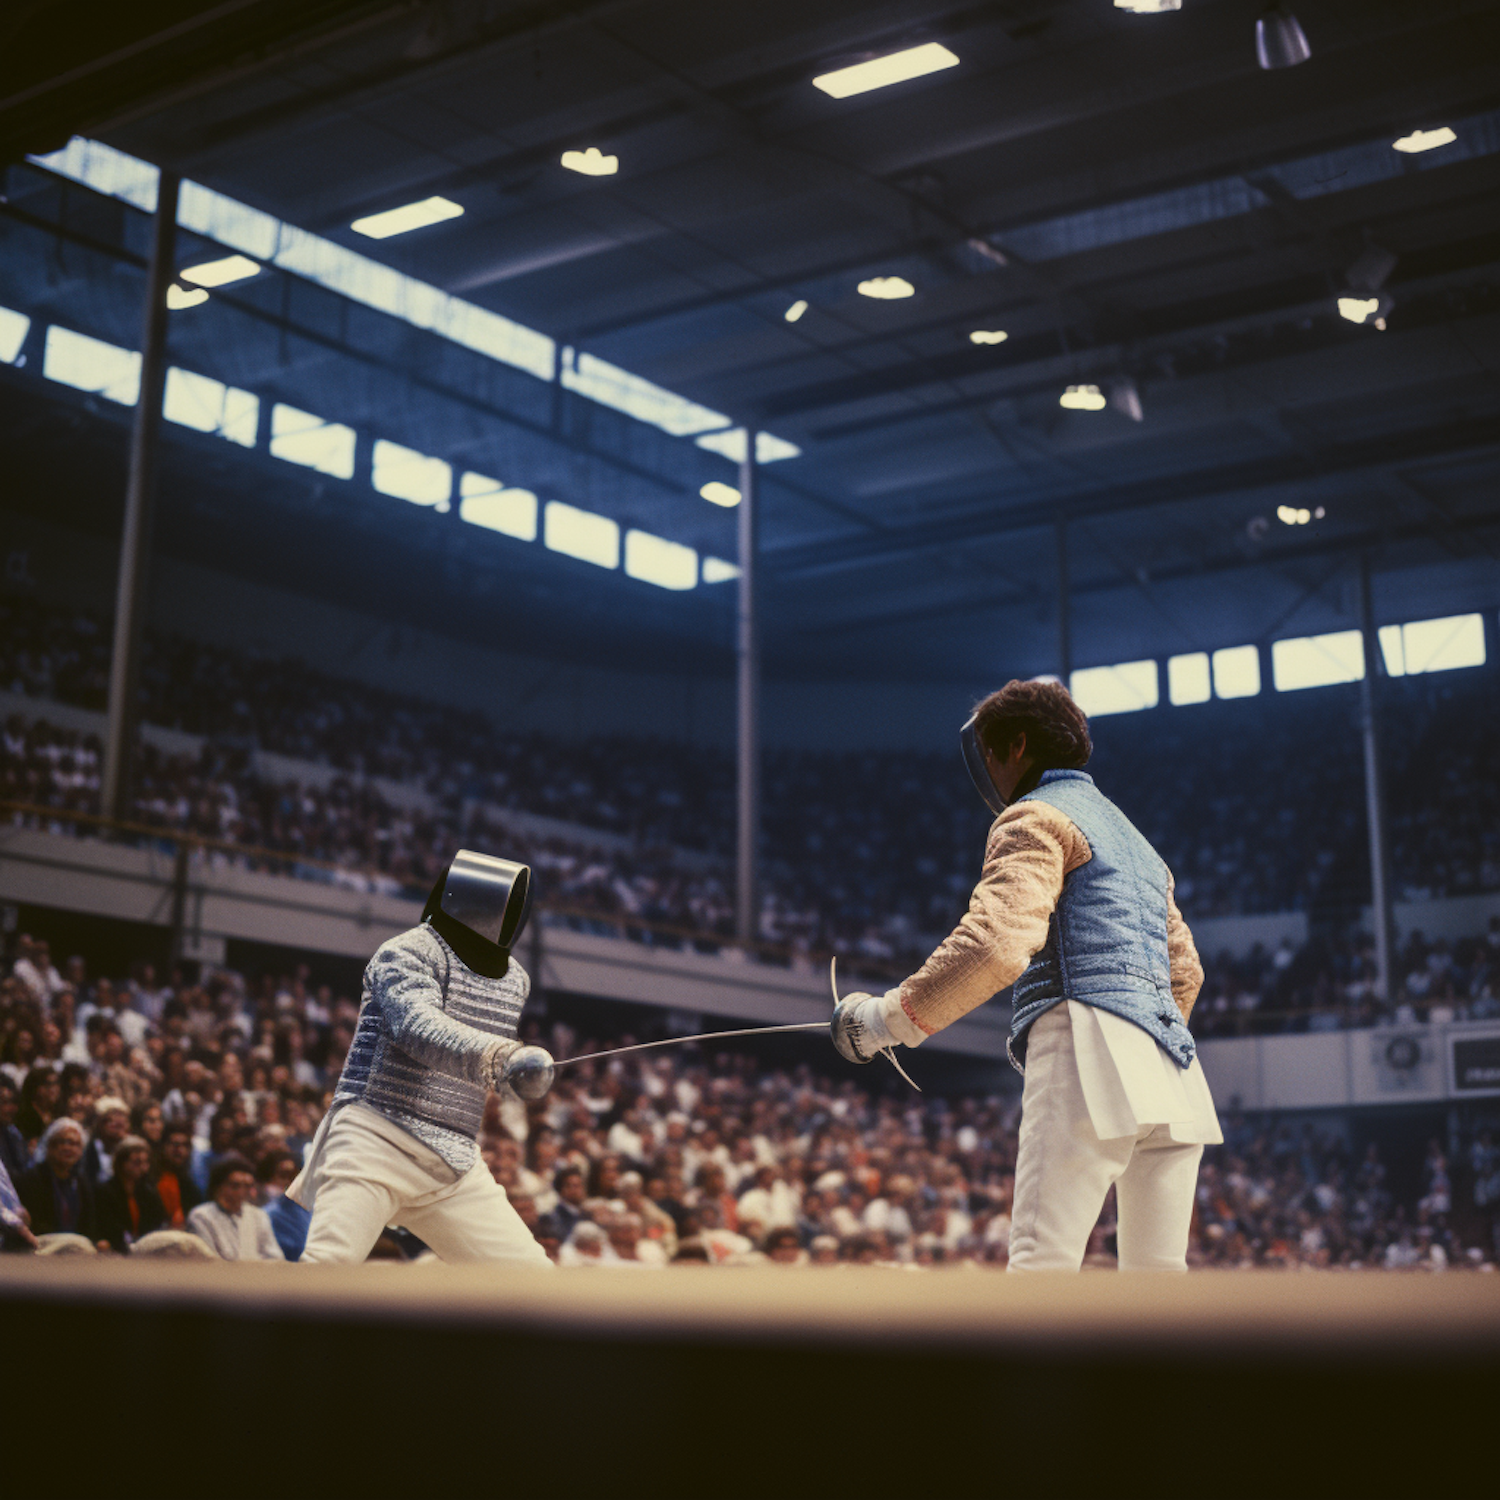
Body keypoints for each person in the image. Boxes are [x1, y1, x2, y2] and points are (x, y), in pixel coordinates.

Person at [832, 680, 1219, 1272]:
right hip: (1176, 1071)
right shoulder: (1139, 845)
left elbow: (997, 943)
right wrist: (1142, 1037)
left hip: (1088, 1047)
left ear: (1016, 747)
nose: (986, 768)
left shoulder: (1036, 815)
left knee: (1043, 1261)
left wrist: (883, 1020)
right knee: (1160, 1282)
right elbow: (1185, 973)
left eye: (988, 752)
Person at [290, 850, 553, 1265]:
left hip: (454, 1160)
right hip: (375, 1135)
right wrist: (500, 1057)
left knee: (532, 1281)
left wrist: (517, 1070)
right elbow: (415, 1025)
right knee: (326, 1269)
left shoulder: (515, 979)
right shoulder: (407, 951)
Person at [18, 1118, 100, 1244]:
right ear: (49, 1146)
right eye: (62, 1142)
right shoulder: (31, 1179)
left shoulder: (81, 1183)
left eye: (75, 1144)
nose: (68, 1148)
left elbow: (89, 1226)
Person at [187, 1155, 283, 1261]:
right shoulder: (201, 1216)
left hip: (256, 1275)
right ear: (219, 1187)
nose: (242, 1191)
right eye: (235, 1186)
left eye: (247, 1186)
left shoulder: (259, 1215)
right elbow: (208, 1260)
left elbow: (275, 1256)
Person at [96, 1135, 167, 1253]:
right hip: (115, 1251)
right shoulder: (105, 1191)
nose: (143, 1168)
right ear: (121, 1162)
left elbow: (157, 1223)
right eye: (137, 1162)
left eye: (146, 1162)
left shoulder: (149, 1192)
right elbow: (108, 1228)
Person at [258, 1150, 310, 1261]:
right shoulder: (267, 1214)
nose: (289, 1180)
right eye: (283, 1175)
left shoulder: (312, 1209)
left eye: (293, 1175)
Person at [154, 1124, 203, 1228]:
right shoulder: (151, 1180)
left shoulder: (189, 1187)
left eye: (184, 1145)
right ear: (163, 1147)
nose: (179, 1150)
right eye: (175, 1145)